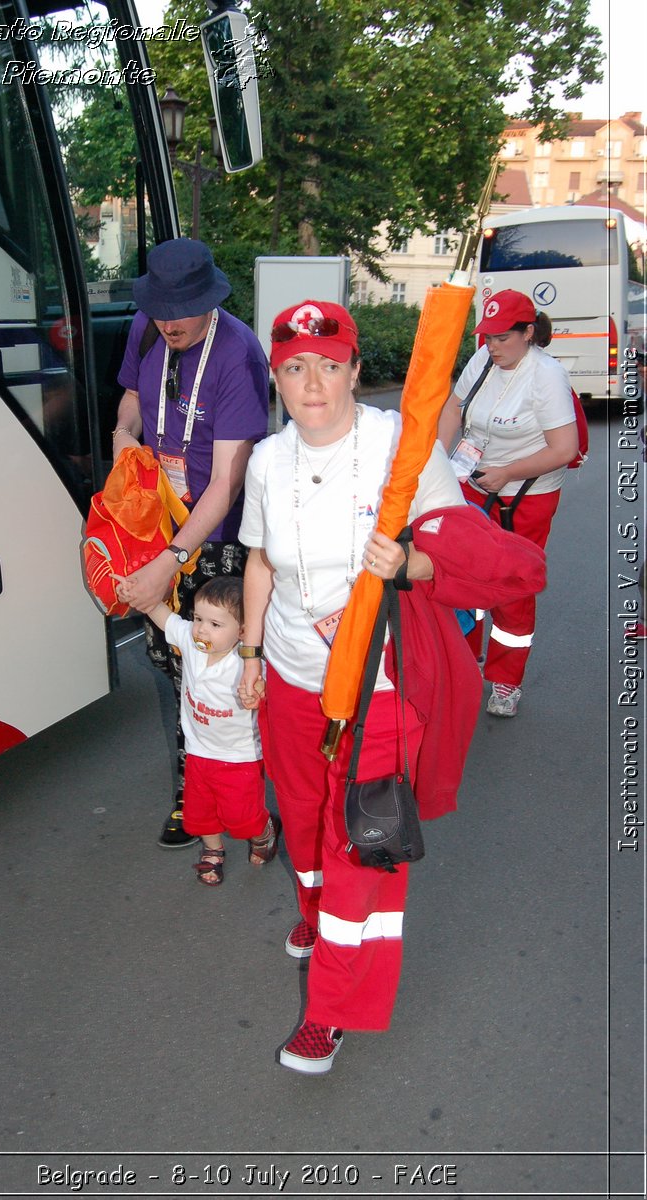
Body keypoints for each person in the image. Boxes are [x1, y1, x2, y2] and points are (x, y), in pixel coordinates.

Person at [237, 300, 546, 1074]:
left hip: (379, 685)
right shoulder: (268, 460)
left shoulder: (397, 450)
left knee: (362, 846)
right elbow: (261, 563)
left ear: (352, 370)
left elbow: (472, 550)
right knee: (305, 822)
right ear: (277, 375)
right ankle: (312, 910)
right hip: (292, 679)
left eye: (330, 365)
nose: (314, 383)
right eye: (296, 367)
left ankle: (333, 1010)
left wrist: (413, 565)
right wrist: (249, 654)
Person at [113, 239, 269, 847]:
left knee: (218, 667)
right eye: (161, 310)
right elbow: (132, 396)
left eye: (184, 310)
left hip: (219, 536)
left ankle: (235, 793)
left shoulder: (239, 354)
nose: (170, 323)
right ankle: (199, 788)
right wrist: (125, 432)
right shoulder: (146, 328)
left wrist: (172, 560)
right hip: (159, 518)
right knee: (174, 661)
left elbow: (229, 482)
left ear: (211, 300)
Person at [437, 289, 579, 717]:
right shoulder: (483, 360)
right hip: (476, 478)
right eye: (487, 336)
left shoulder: (546, 376)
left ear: (527, 332)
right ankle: (461, 664)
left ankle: (505, 681)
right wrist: (439, 463)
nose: (492, 346)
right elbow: (453, 408)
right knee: (460, 574)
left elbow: (564, 448)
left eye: (502, 337)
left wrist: (507, 473)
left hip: (527, 492)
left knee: (511, 585)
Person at [144, 577, 279, 885]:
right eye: (198, 619)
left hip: (241, 755)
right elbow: (163, 616)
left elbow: (266, 694)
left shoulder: (249, 664)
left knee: (242, 818)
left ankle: (263, 831)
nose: (202, 629)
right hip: (198, 749)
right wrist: (140, 594)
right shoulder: (191, 644)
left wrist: (257, 694)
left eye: (216, 624)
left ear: (244, 632)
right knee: (200, 811)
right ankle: (212, 851)